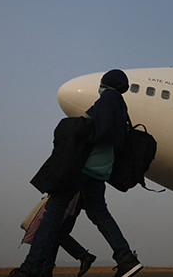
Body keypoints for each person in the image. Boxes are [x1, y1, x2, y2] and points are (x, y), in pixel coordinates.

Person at [10, 69, 142, 277]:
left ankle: (32, 267)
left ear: (106, 83)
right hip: (101, 168)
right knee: (99, 213)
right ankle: (126, 259)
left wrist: (80, 131)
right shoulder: (120, 105)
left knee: (53, 211)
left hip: (86, 165)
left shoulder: (108, 99)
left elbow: (104, 131)